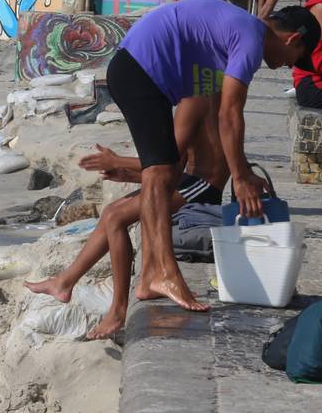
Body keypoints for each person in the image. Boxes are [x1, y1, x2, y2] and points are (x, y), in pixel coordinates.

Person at [28, 0, 320, 320]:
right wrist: (240, 177)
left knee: (161, 172)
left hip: (134, 68)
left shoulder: (223, 48)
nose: (288, 68)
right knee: (161, 173)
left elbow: (220, 121)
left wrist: (242, 170)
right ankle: (160, 273)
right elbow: (230, 114)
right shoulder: (250, 37)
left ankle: (147, 280)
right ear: (293, 39)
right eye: (296, 61)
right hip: (139, 70)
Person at [24, 101, 228, 338]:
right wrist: (128, 174)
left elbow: (168, 160)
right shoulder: (190, 96)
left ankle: (118, 311)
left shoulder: (194, 100)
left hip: (201, 186)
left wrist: (117, 161)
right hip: (186, 179)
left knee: (116, 218)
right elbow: (172, 166)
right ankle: (64, 283)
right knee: (111, 211)